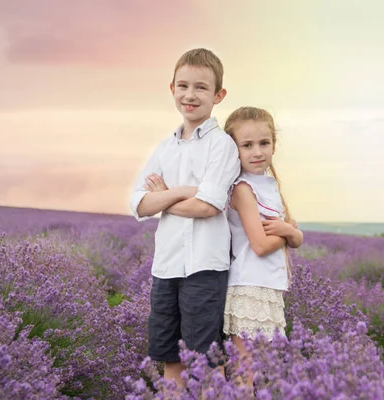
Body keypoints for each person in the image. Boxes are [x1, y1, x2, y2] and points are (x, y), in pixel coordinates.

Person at [128, 48, 240, 387]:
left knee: (208, 360)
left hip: (205, 268)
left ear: (219, 95)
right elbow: (139, 204)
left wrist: (164, 194)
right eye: (183, 86)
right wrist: (181, 192)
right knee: (169, 357)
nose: (190, 95)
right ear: (172, 88)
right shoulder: (165, 147)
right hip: (167, 265)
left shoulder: (222, 145)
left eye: (201, 88)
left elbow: (209, 205)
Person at [222, 106, 303, 387]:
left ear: (274, 145)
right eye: (247, 145)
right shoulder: (244, 189)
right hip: (248, 288)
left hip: (266, 286)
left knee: (257, 370)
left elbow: (297, 238)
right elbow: (259, 245)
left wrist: (290, 233)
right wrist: (288, 232)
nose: (257, 151)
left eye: (264, 143)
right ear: (235, 150)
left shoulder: (268, 185)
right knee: (246, 372)